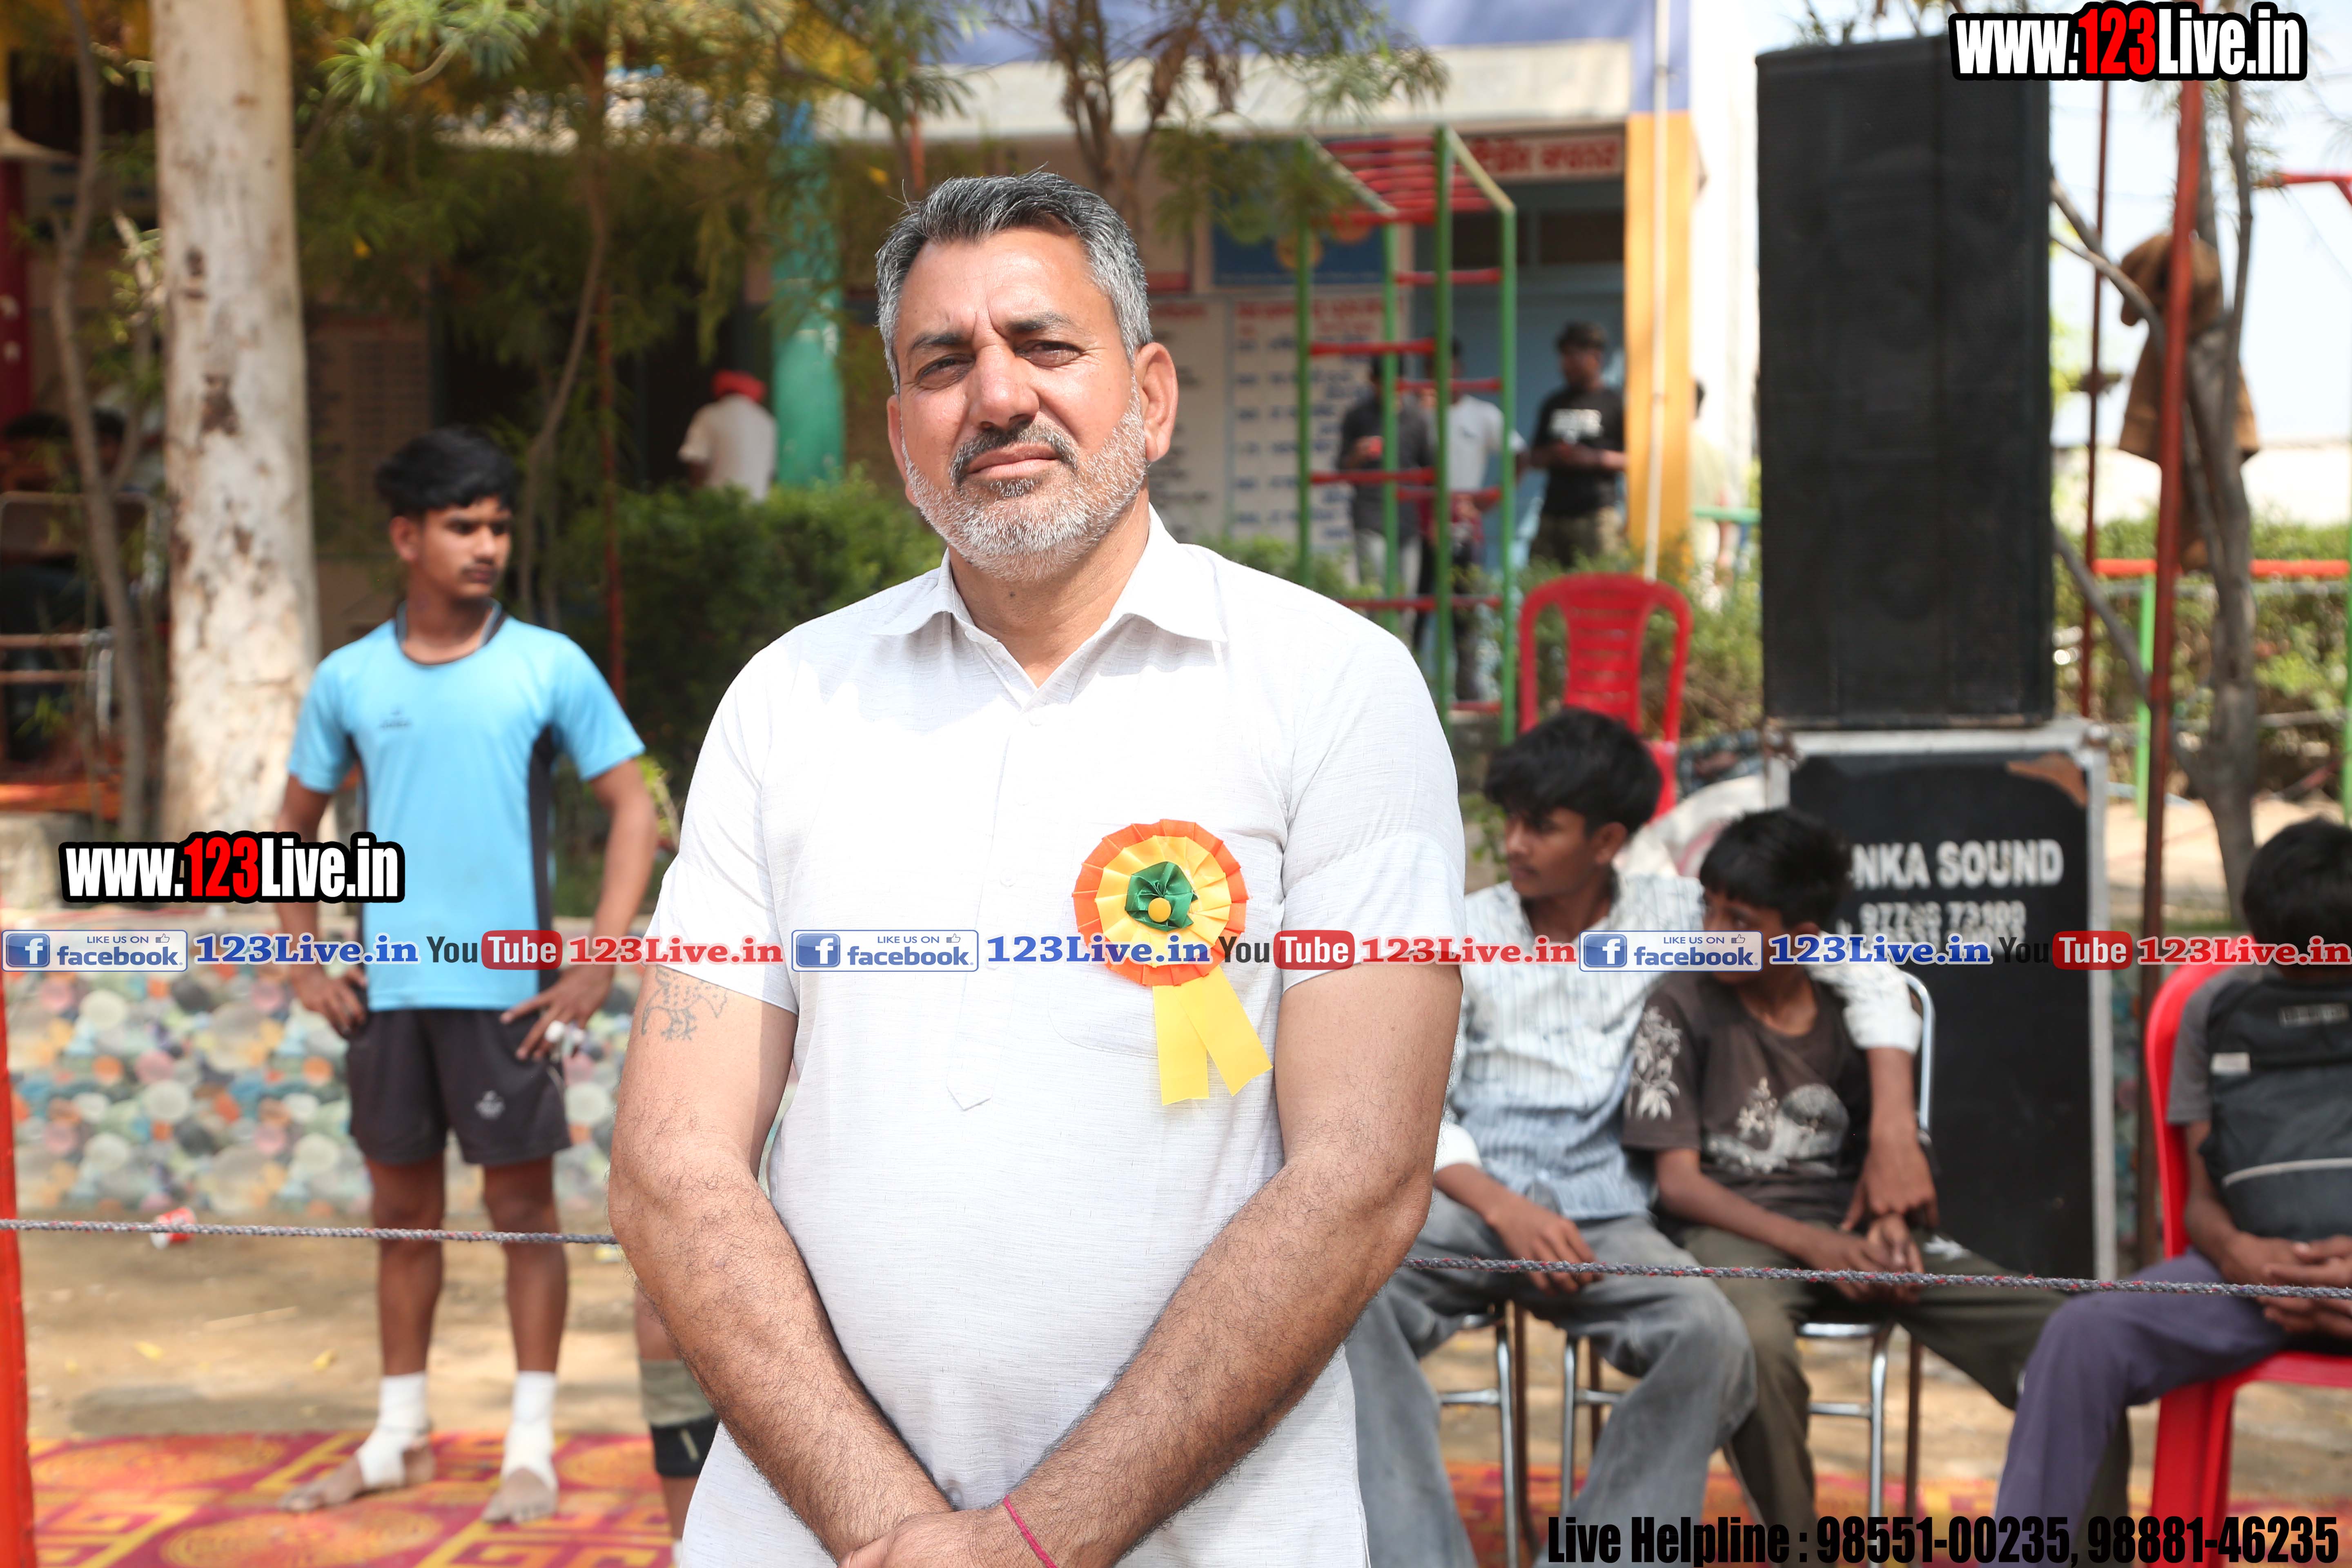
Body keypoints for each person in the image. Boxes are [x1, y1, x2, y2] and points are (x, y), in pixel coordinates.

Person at [610, 172, 1465, 1567]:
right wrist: (895, 1530)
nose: (997, 396)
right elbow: (671, 1162)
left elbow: (1361, 1174)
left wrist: (1034, 1540)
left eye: (1045, 345)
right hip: (818, 1538)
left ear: (1152, 395)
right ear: (900, 428)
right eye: (944, 363)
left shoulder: (1333, 689)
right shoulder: (789, 699)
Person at [1347, 708, 1922, 1557]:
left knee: (1713, 1341)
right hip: (1468, 1205)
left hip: (1610, 1220)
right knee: (1347, 1298)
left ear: (1608, 841)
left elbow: (1861, 969)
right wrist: (1505, 1208)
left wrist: (1896, 1130)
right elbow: (1416, 1107)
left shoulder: (1682, 917)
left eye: (1541, 826)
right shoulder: (1461, 930)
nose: (1513, 844)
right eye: (1510, 821)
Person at [273, 425, 659, 1523]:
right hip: (389, 998)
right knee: (401, 1218)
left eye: (497, 526)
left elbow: (634, 807)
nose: (487, 545)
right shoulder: (348, 679)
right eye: (462, 526)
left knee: (523, 1212)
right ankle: (397, 1437)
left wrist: (596, 961)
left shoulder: (548, 665)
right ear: (407, 537)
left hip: (509, 1000)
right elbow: (290, 828)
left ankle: (529, 1449)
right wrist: (304, 959)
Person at [1621, 807, 2090, 1528]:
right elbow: (1679, 1185)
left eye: (1740, 920)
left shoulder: (1854, 1011)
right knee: (1754, 1344)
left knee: (2075, 1340)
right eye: (1708, 909)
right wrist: (1815, 1245)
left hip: (1854, 1228)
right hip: (1733, 1231)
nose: (1713, 932)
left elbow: (1889, 1152)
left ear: (1803, 937)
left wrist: (1892, 1221)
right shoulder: (1679, 1003)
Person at [1998, 817, 2352, 1518]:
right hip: (2247, 1283)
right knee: (2081, 1335)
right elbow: (2199, 1200)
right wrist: (2242, 1255)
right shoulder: (2217, 1012)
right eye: (2291, 964)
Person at [1529, 321, 1626, 570]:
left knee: (1599, 585)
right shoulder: (1553, 403)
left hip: (1597, 516)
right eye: (1564, 357)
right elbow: (1534, 456)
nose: (1566, 364)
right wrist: (1555, 454)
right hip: (1553, 514)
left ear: (1596, 356)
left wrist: (1592, 458)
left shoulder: (1615, 403)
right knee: (1543, 583)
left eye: (1574, 356)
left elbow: (1634, 460)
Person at [1335, 360, 1433, 594]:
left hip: (1407, 519)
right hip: (1370, 517)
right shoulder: (1358, 417)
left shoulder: (1416, 419)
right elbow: (1343, 470)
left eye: (1395, 384)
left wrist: (1435, 520)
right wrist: (1357, 455)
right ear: (1372, 381)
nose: (1390, 390)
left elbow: (1431, 472)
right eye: (1383, 384)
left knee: (1406, 598)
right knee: (1376, 594)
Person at [678, 369, 777, 495]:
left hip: (717, 501)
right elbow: (770, 472)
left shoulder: (709, 415)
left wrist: (697, 496)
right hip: (756, 503)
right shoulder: (767, 421)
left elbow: (695, 460)